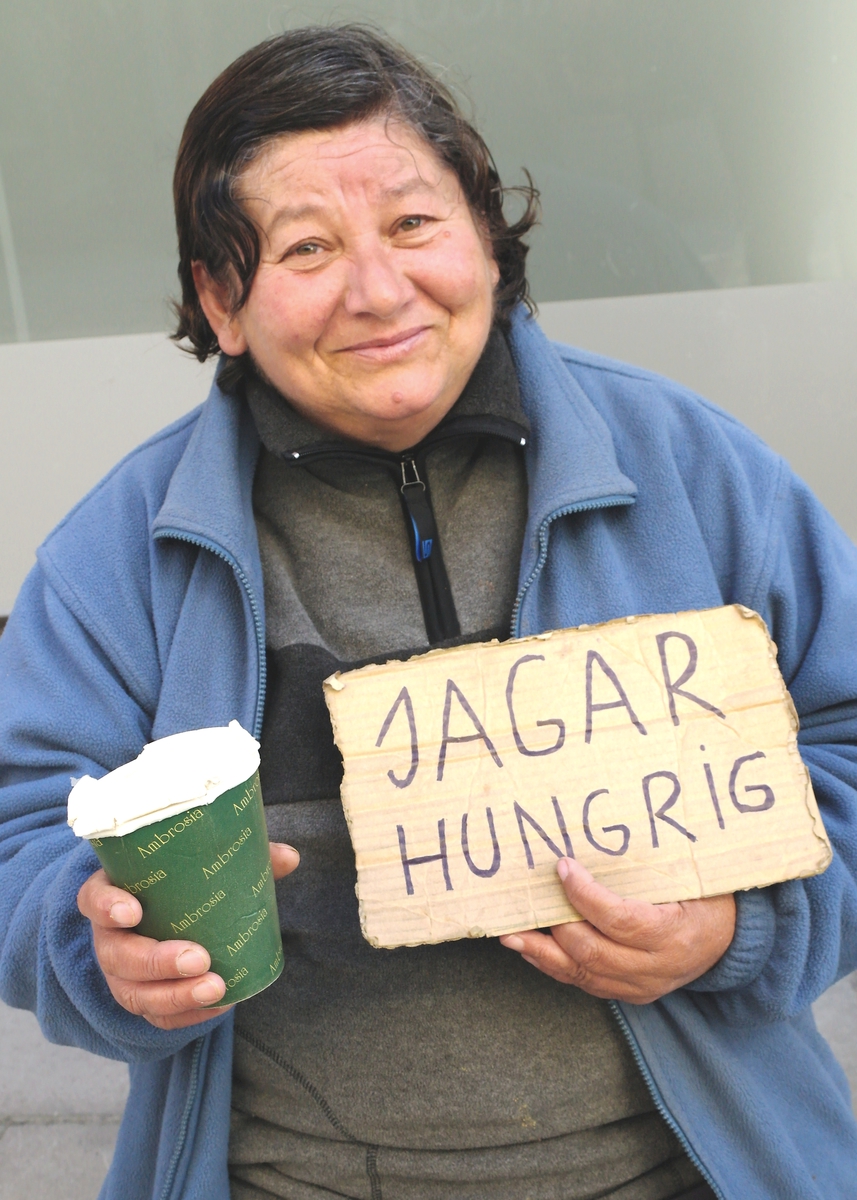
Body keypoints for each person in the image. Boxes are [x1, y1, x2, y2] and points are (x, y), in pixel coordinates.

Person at [1, 24, 856, 1200]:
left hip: (689, 1169)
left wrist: (742, 927)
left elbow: (844, 734)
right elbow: (18, 827)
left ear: (487, 242)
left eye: (413, 224)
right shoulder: (122, 549)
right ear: (222, 298)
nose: (378, 290)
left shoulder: (696, 470)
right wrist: (86, 942)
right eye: (306, 248)